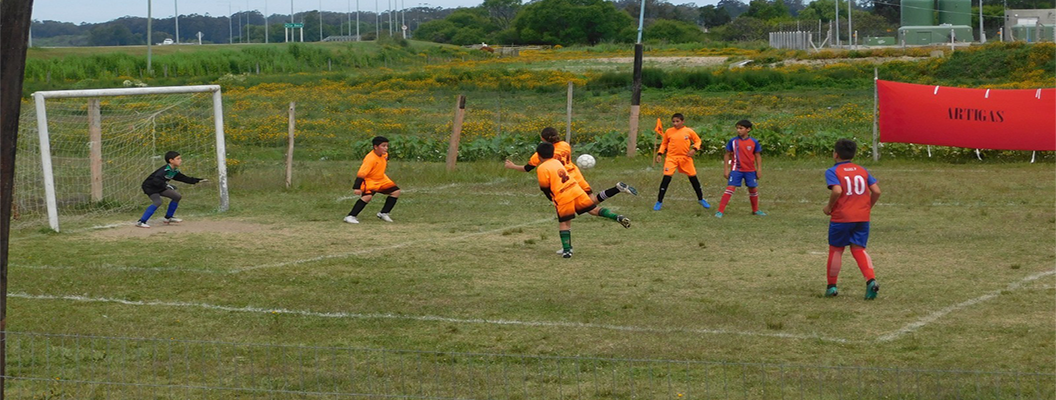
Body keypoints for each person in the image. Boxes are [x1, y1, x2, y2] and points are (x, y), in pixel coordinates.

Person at [534, 142, 631, 258]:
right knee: (593, 210)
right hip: (575, 189)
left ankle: (567, 250)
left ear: (538, 155)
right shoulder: (556, 162)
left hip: (563, 195)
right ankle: (617, 217)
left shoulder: (542, 168)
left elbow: (545, 187)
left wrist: (551, 198)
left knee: (565, 222)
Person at [505, 126, 638, 205]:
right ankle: (617, 189)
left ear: (543, 139)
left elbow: (527, 168)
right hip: (576, 174)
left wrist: (512, 166)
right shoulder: (565, 145)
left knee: (582, 205)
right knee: (592, 200)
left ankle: (616, 190)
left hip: (564, 179)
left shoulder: (539, 154)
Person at [823, 138, 881, 300]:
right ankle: (871, 280)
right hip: (862, 217)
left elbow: (837, 190)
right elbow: (876, 191)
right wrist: (867, 207)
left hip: (842, 217)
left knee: (836, 250)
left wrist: (829, 207)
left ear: (835, 154)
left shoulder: (833, 171)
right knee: (859, 249)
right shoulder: (862, 170)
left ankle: (831, 287)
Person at [136, 151, 208, 228]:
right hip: (150, 187)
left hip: (159, 186)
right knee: (158, 202)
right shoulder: (164, 170)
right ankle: (141, 221)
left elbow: (184, 178)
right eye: (178, 158)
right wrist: (166, 185)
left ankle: (168, 217)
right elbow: (156, 180)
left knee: (177, 196)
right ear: (171, 160)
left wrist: (197, 180)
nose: (181, 160)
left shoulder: (174, 171)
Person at [653, 113, 710, 211]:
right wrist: (659, 153)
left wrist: (694, 149)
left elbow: (698, 141)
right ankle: (659, 201)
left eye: (677, 121)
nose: (675, 123)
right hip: (671, 158)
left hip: (685, 158)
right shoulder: (669, 131)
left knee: (693, 177)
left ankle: (701, 199)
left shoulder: (688, 131)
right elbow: (664, 143)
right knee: (666, 178)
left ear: (682, 121)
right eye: (673, 121)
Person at [715, 119, 765, 218]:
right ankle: (720, 211)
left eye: (741, 128)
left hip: (750, 170)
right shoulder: (733, 141)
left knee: (753, 189)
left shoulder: (753, 142)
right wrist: (726, 169)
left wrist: (759, 169)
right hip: (736, 169)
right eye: (737, 128)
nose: (738, 130)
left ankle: (755, 210)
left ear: (748, 129)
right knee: (730, 188)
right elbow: (727, 155)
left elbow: (757, 156)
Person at [345, 136, 401, 224]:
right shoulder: (370, 159)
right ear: (375, 147)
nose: (386, 148)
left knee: (396, 192)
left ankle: (383, 213)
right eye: (383, 146)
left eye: (387, 146)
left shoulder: (385, 155)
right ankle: (350, 216)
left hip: (382, 179)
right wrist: (357, 187)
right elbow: (361, 173)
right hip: (369, 180)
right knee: (367, 197)